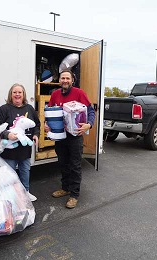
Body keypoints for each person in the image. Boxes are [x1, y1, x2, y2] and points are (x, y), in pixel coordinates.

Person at [45, 70, 95, 209]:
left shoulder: (79, 93)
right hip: (60, 136)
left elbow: (90, 111)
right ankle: (65, 188)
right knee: (63, 163)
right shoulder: (55, 94)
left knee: (75, 165)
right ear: (59, 80)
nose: (65, 80)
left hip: (75, 136)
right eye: (63, 78)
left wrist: (88, 124)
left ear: (72, 80)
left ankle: (74, 194)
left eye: (68, 78)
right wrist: (46, 125)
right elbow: (50, 113)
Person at [0, 83, 40, 202]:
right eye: (15, 92)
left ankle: (26, 192)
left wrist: (36, 135)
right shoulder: (4, 109)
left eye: (20, 92)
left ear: (23, 94)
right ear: (11, 94)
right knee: (10, 174)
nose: (17, 94)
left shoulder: (29, 108)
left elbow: (37, 124)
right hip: (9, 150)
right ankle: (10, 195)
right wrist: (7, 134)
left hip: (25, 149)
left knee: (25, 170)